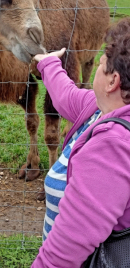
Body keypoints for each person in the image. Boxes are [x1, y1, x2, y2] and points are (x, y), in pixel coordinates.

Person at [31, 18, 130, 267]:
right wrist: (48, 63)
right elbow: (68, 96)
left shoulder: (112, 149)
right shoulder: (100, 109)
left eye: (100, 64)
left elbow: (62, 257)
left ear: (112, 81)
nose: (95, 67)